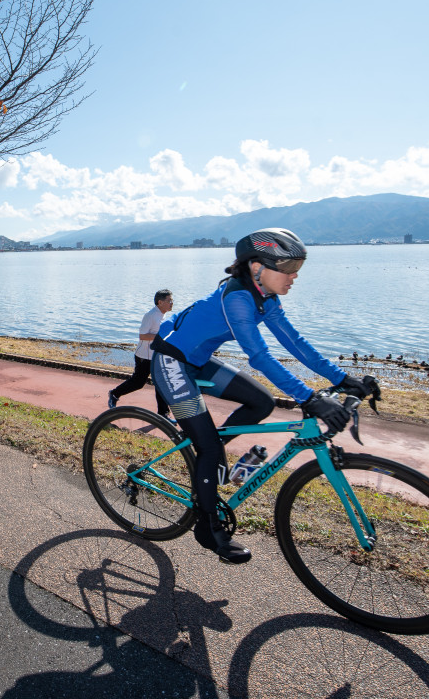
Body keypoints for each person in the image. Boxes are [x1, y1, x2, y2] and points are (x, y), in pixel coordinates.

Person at [150, 228, 379, 565]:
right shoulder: (237, 298)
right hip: (170, 363)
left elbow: (295, 343)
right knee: (211, 445)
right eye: (287, 268)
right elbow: (259, 357)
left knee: (262, 402)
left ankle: (208, 461)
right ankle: (207, 526)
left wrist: (344, 379)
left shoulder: (266, 299)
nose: (294, 276)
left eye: (297, 267)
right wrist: (309, 398)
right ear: (257, 267)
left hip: (198, 362)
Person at [108, 289, 174, 419]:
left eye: (172, 300)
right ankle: (114, 394)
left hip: (156, 356)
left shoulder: (163, 315)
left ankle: (163, 414)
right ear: (160, 302)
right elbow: (143, 336)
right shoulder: (150, 315)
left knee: (161, 383)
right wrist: (160, 337)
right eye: (169, 300)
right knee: (138, 383)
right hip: (144, 356)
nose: (172, 303)